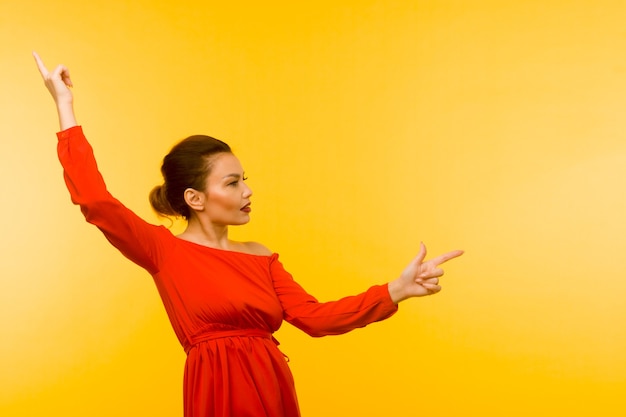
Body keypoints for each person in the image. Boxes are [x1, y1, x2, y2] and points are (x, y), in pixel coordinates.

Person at [33, 51, 464, 417]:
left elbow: (317, 318)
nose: (248, 191)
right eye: (233, 182)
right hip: (215, 393)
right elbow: (93, 200)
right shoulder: (162, 250)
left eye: (245, 179)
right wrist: (65, 106)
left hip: (272, 388)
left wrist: (396, 290)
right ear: (195, 198)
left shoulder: (262, 256)